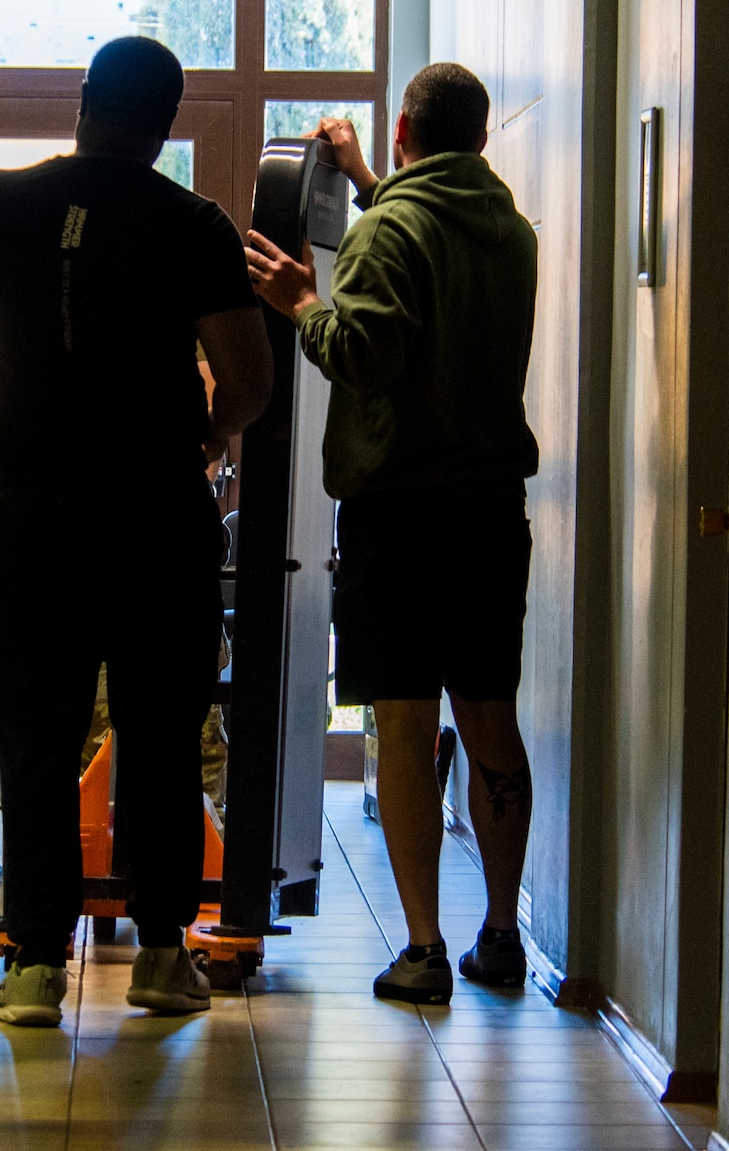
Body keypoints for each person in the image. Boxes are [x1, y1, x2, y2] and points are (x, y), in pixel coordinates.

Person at [0, 35, 273, 1028]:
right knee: (162, 733)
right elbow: (248, 382)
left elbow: (22, 310)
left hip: (33, 512)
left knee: (35, 737)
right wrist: (206, 435)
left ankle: (35, 967)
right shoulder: (192, 226)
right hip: (151, 517)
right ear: (166, 123)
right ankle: (160, 955)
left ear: (83, 100)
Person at [244, 61, 538, 1006]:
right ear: (480, 141)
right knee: (489, 714)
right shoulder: (508, 232)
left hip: (401, 520)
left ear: (406, 134)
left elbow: (363, 349)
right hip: (491, 516)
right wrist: (371, 178)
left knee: (405, 724)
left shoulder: (388, 231)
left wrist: (300, 303)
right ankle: (501, 933)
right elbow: (424, 244)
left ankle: (424, 950)